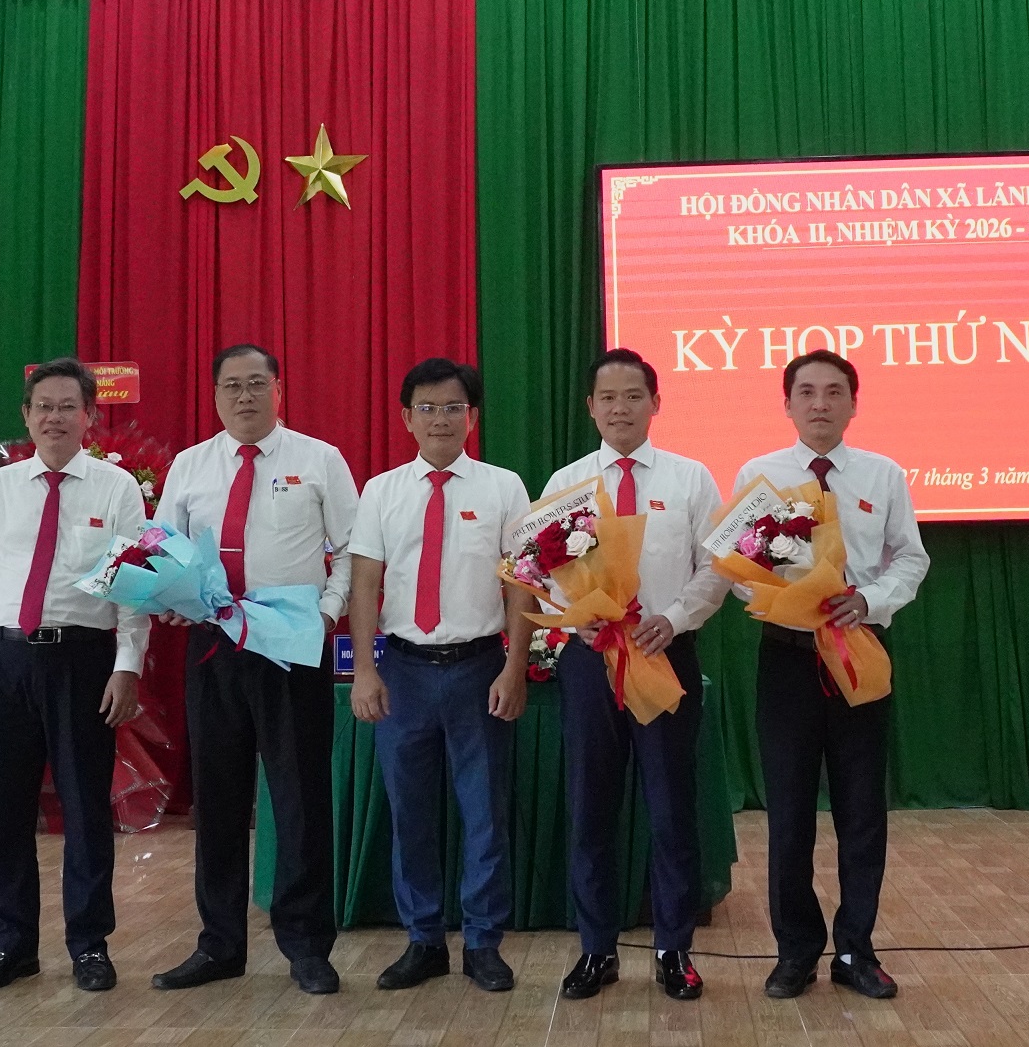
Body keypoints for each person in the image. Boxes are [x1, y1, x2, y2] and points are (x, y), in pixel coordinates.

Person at [151, 344, 359, 997]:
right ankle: (219, 944)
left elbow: (352, 549)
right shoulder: (190, 465)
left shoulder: (319, 459)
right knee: (217, 800)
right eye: (231, 386)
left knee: (300, 799)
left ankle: (307, 946)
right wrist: (170, 596)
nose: (244, 396)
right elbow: (161, 549)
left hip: (291, 646)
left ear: (278, 389)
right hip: (213, 646)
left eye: (255, 384)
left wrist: (327, 612)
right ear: (215, 395)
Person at [0, 358, 149, 995]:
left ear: (90, 416)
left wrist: (128, 666)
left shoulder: (117, 487)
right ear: (27, 416)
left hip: (82, 660)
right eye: (43, 407)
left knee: (86, 809)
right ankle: (11, 944)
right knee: (7, 808)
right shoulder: (0, 488)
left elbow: (133, 585)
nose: (54, 417)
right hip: (6, 658)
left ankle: (90, 945)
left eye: (67, 407)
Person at [732, 350, 929, 1001]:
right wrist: (785, 600)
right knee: (789, 813)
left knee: (861, 810)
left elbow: (910, 558)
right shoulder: (759, 474)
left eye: (834, 392)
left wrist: (868, 600)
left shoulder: (883, 474)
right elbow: (740, 569)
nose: (820, 403)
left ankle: (855, 950)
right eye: (807, 392)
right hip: (787, 658)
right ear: (787, 404)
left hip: (858, 651)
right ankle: (795, 951)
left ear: (853, 403)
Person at [542, 348, 727, 1001]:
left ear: (654, 403)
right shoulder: (567, 481)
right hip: (592, 659)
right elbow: (543, 570)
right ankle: (596, 949)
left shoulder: (690, 478)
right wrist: (573, 616)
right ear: (590, 407)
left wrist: (674, 618)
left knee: (671, 808)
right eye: (607, 397)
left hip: (664, 654)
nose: (619, 408)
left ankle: (674, 950)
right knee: (590, 806)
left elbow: (718, 566)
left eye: (632, 396)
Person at [348, 358, 535, 994]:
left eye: (453, 407)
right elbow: (365, 584)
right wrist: (365, 670)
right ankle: (423, 939)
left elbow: (520, 584)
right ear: (406, 418)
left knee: (485, 814)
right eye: (427, 408)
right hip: (403, 670)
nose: (440, 419)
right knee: (411, 813)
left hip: (479, 667)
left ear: (472, 417)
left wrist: (515, 666)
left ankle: (483, 942)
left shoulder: (504, 487)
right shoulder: (381, 491)